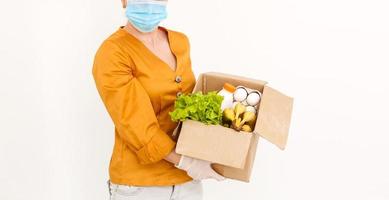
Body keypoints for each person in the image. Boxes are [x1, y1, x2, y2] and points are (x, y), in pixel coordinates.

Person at [92, 0, 225, 199]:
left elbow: (190, 105)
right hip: (140, 186)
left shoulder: (180, 42)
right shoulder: (113, 52)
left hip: (187, 182)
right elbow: (137, 126)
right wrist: (188, 162)